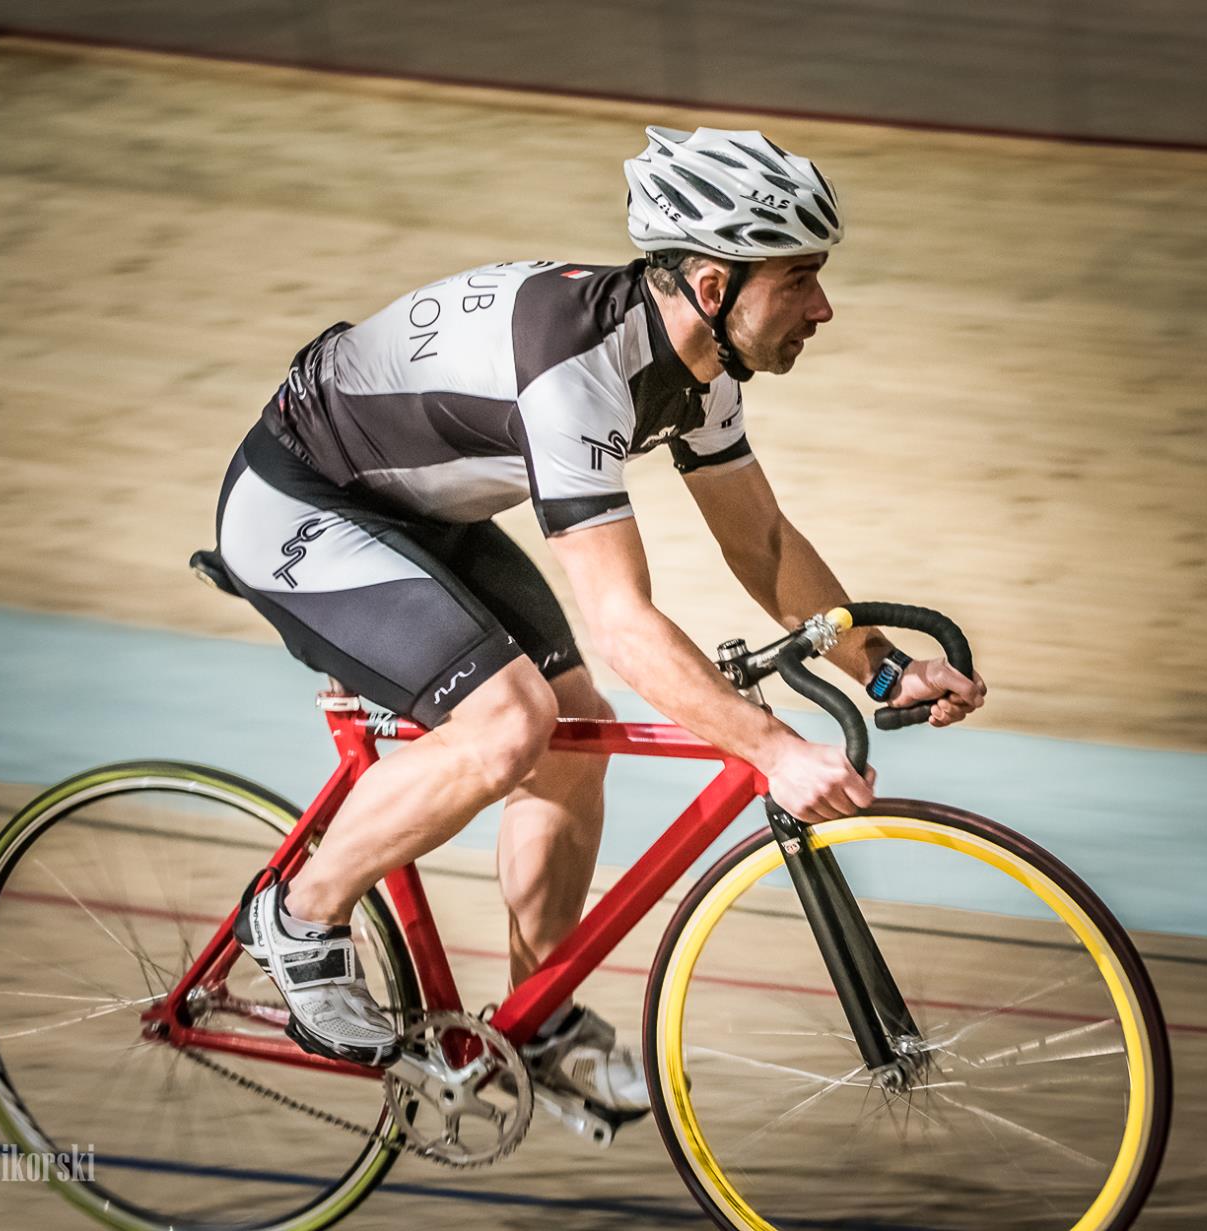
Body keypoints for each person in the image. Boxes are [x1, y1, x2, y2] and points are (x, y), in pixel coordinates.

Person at [212, 125, 987, 1129]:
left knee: (574, 736)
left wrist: (881, 671)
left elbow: (758, 542)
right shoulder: (574, 372)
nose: (822, 306)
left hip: (414, 512)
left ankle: (532, 1020)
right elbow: (620, 620)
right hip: (301, 505)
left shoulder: (702, 366)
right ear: (712, 285)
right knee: (508, 721)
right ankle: (296, 915)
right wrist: (773, 750)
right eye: (799, 279)